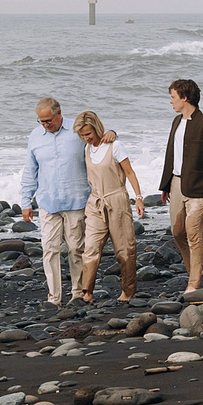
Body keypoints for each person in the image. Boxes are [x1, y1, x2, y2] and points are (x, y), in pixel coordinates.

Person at [156, 77, 203, 294]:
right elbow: (171, 155)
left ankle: (194, 282)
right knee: (177, 231)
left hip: (198, 188)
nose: (171, 101)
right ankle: (193, 270)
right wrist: (165, 185)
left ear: (185, 98)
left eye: (173, 97)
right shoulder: (176, 122)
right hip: (176, 184)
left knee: (193, 232)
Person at [18, 96, 92, 306]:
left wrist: (113, 134)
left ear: (59, 114)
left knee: (76, 248)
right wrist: (25, 201)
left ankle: (78, 292)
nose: (45, 125)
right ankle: (54, 297)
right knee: (49, 249)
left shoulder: (76, 130)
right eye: (41, 121)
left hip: (76, 199)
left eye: (48, 120)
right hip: (47, 201)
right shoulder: (36, 136)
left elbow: (97, 139)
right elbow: (30, 170)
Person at [72, 109, 145, 302]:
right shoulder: (87, 149)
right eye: (82, 135)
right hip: (95, 202)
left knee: (124, 248)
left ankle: (128, 290)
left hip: (117, 200)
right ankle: (87, 291)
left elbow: (129, 173)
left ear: (97, 128)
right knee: (91, 247)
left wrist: (138, 197)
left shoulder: (115, 146)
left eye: (88, 133)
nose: (85, 138)